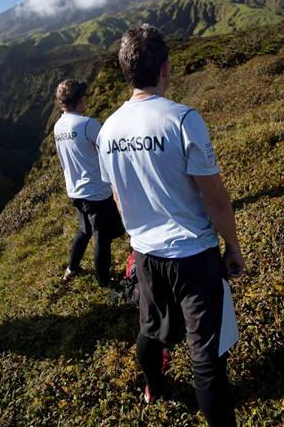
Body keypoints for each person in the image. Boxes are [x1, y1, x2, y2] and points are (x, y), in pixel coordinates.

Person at [97, 24, 245, 426]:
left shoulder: (108, 130)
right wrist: (232, 247)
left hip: (145, 253)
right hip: (193, 255)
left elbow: (118, 198)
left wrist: (138, 238)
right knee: (206, 356)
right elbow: (214, 198)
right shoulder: (182, 120)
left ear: (126, 70)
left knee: (150, 329)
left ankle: (153, 386)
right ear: (165, 67)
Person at [53, 79, 123, 287]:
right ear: (79, 99)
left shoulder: (58, 126)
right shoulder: (87, 124)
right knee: (102, 237)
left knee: (85, 230)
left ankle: (72, 267)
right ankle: (103, 280)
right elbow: (107, 150)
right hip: (96, 190)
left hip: (75, 190)